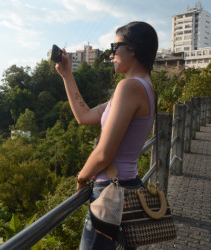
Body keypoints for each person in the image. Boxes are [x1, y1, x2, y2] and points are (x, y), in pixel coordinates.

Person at [55, 21, 158, 249]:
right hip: (128, 185)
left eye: (115, 46)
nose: (111, 54)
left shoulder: (129, 87)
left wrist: (82, 177)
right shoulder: (145, 88)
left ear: (133, 49)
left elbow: (104, 153)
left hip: (111, 194)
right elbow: (84, 115)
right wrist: (66, 75)